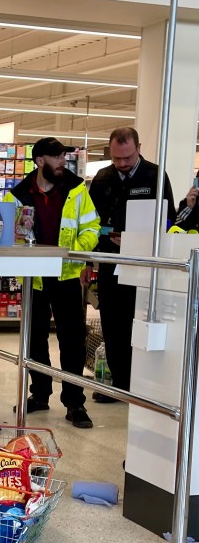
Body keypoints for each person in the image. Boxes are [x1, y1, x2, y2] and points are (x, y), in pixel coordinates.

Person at [4, 137, 100, 429]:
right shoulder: (18, 194)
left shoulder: (76, 189)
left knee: (72, 341)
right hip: (33, 278)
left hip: (66, 275)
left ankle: (75, 403)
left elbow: (92, 226)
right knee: (34, 339)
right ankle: (40, 393)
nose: (62, 162)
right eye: (57, 157)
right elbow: (8, 232)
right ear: (40, 161)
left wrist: (74, 252)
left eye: (63, 157)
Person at [86, 127, 175, 401]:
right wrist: (90, 261)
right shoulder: (102, 178)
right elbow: (90, 222)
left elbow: (169, 222)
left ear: (139, 147)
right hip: (110, 262)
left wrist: (137, 242)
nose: (122, 164)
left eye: (127, 157)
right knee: (113, 323)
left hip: (144, 265)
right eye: (116, 159)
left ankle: (144, 385)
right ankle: (120, 385)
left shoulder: (155, 176)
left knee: (141, 322)